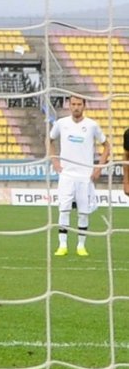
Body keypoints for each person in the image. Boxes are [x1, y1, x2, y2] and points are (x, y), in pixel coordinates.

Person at [49, 96, 109, 257]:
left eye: (79, 104)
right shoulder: (61, 123)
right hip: (66, 175)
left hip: (85, 176)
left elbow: (107, 146)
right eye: (73, 104)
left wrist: (99, 167)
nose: (76, 107)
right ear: (69, 106)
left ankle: (81, 246)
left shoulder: (91, 125)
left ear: (84, 106)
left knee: (83, 212)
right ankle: (62, 245)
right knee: (64, 209)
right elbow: (49, 140)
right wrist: (54, 161)